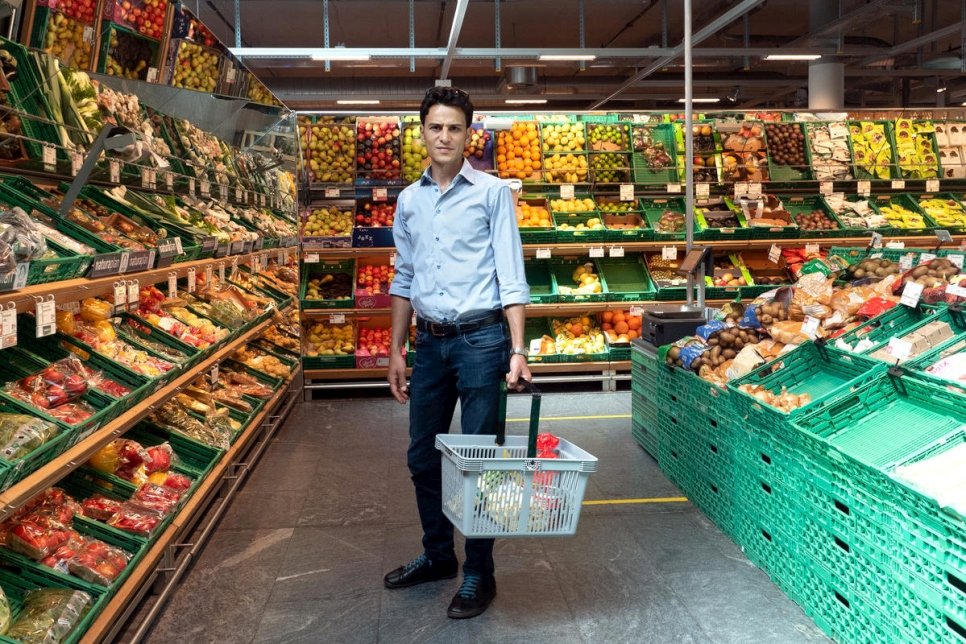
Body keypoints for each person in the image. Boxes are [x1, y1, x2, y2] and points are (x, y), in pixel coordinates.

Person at [384, 86, 532, 619]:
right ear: (421, 132)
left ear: (469, 134)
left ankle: (479, 573)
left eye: (454, 127)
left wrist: (518, 349)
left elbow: (511, 277)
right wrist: (397, 349)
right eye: (435, 127)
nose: (444, 136)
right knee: (422, 456)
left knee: (480, 463)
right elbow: (403, 278)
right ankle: (438, 555)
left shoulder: (493, 193)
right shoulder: (409, 200)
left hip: (481, 341)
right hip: (429, 344)